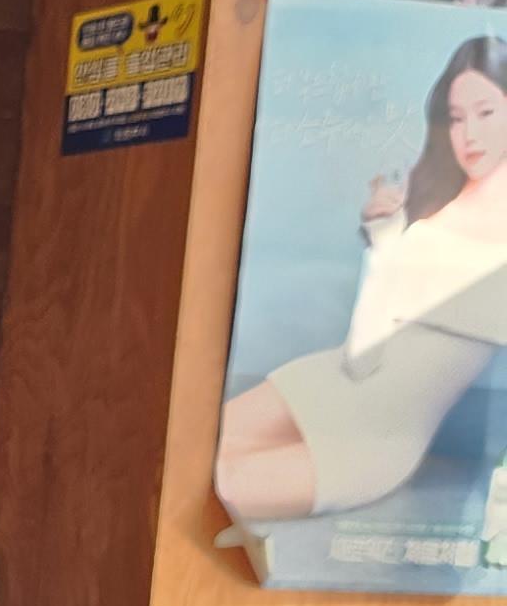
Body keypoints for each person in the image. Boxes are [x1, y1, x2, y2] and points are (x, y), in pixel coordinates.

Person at [215, 34, 507, 520]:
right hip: (330, 377)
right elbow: (364, 351)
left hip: (375, 437)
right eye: (456, 118)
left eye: (486, 112)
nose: (468, 134)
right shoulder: (434, 199)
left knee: (209, 486)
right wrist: (384, 237)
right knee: (176, 456)